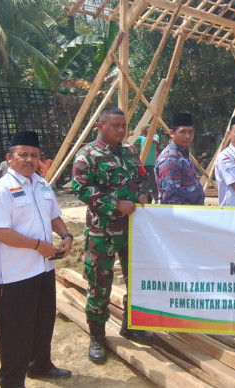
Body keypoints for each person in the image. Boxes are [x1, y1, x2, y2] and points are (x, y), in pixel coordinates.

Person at [0, 131, 73, 387]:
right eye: (23, 155)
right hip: (15, 274)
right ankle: (11, 379)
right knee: (15, 330)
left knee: (43, 321)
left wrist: (66, 235)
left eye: (34, 155)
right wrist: (37, 246)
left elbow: (54, 215)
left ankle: (41, 365)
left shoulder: (42, 184)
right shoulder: (1, 191)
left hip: (43, 268)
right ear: (10, 158)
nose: (30, 160)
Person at [72, 107, 151, 364]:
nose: (120, 130)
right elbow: (81, 187)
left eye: (123, 125)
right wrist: (115, 204)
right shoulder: (88, 154)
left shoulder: (129, 151)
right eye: (115, 125)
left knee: (136, 278)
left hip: (131, 229)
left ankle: (132, 325)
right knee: (100, 284)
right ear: (100, 126)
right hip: (101, 231)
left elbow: (142, 177)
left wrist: (142, 194)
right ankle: (97, 337)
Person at [155, 113, 205, 205]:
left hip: (191, 214)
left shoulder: (184, 154)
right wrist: (196, 189)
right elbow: (171, 198)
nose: (188, 136)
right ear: (172, 133)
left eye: (191, 132)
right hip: (179, 216)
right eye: (183, 132)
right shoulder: (171, 159)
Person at [134, 123, 160, 203]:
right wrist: (133, 133)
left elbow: (155, 141)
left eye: (150, 128)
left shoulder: (155, 136)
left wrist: (150, 137)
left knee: (153, 182)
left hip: (152, 164)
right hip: (143, 163)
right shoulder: (142, 138)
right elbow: (133, 140)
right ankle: (144, 198)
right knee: (142, 182)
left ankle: (155, 199)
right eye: (147, 128)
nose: (149, 129)